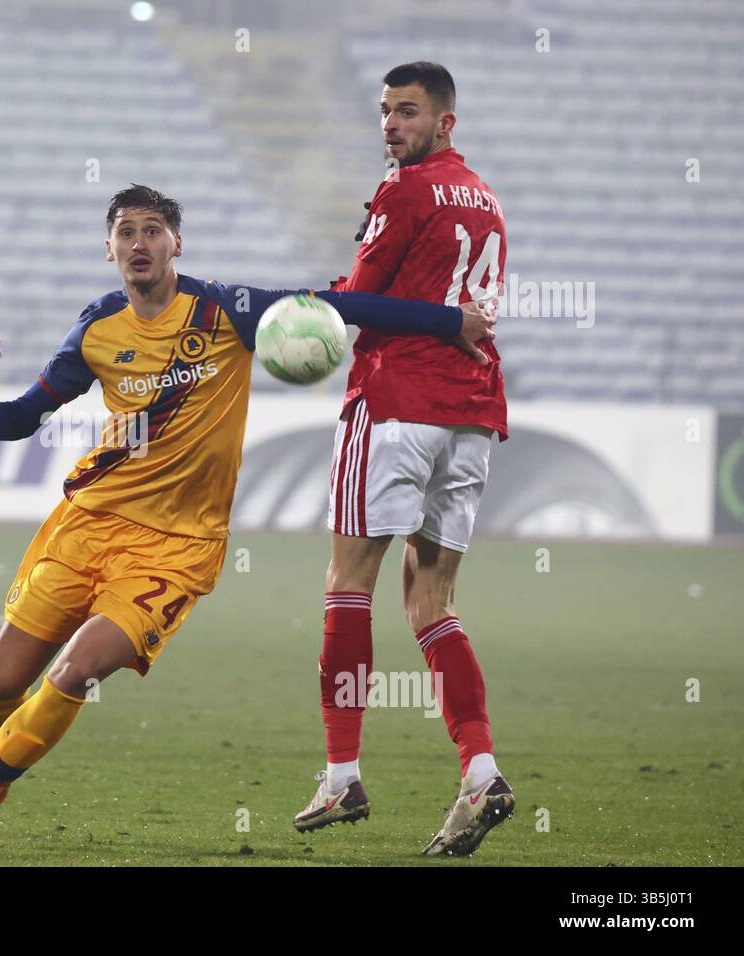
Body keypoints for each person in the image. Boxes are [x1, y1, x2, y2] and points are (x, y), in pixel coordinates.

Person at [0, 183, 496, 847]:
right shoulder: (97, 326)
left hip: (177, 547)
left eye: (152, 231)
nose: (138, 243)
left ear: (177, 243)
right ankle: (4, 764)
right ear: (108, 246)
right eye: (126, 232)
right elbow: (27, 415)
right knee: (1, 685)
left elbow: (345, 305)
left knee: (76, 670)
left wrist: (447, 321)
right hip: (89, 521)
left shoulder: (227, 310)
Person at [293, 62, 514, 857]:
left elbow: (359, 301)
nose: (391, 125)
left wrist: (301, 303)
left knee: (348, 582)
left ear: (445, 121)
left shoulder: (404, 191)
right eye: (385, 112)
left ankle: (342, 773)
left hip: (396, 402)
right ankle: (481, 770)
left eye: (408, 112)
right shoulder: (484, 197)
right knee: (434, 603)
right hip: (473, 413)